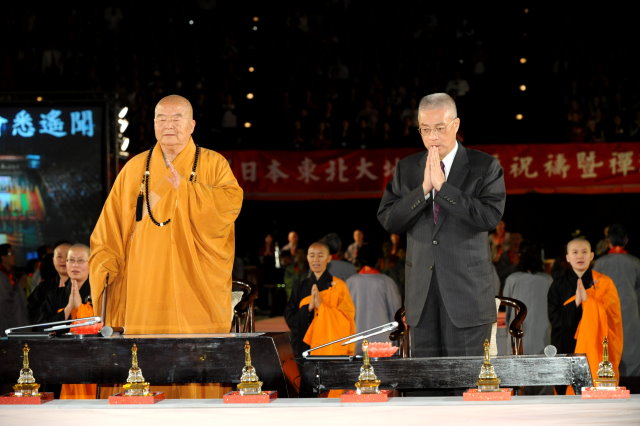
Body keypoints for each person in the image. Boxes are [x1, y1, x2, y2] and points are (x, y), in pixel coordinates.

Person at [90, 94, 243, 398]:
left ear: (192, 124)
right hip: (146, 285)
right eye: (161, 118)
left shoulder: (213, 163)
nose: (168, 125)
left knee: (197, 364)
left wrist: (187, 191)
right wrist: (105, 268)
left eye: (177, 118)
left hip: (197, 285)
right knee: (147, 362)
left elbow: (230, 204)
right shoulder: (134, 168)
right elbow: (110, 228)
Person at [377, 92, 506, 357]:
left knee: (469, 383)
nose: (432, 137)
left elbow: (489, 217)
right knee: (427, 388)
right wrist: (424, 189)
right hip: (421, 298)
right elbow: (389, 220)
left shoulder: (484, 166)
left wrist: (443, 189)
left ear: (456, 125)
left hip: (467, 295)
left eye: (439, 128)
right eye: (425, 129)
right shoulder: (408, 168)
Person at [547, 237, 623, 394]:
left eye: (584, 252)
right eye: (575, 252)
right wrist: (576, 303)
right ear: (567, 257)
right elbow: (554, 319)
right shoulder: (558, 285)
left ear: (592, 255)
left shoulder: (604, 283)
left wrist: (589, 302)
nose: (580, 256)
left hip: (597, 348)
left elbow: (613, 319)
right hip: (567, 347)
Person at [284, 242, 355, 358]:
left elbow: (347, 318)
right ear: (307, 258)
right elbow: (289, 316)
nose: (315, 260)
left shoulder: (338, 286)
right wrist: (309, 308)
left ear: (329, 258)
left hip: (329, 345)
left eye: (320, 256)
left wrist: (322, 307)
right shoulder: (300, 286)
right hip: (304, 346)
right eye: (312, 255)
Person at [594, 224, 640, 377]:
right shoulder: (635, 262)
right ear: (625, 240)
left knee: (609, 343)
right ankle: (633, 378)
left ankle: (609, 375)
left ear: (609, 242)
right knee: (631, 343)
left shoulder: (600, 263)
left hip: (607, 309)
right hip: (631, 309)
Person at [503, 240, 552, 356]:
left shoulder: (512, 279)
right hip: (543, 332)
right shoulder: (548, 280)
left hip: (520, 330)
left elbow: (507, 310)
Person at [0, 244, 28, 337]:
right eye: (10, 253)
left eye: (13, 253)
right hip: (8, 326)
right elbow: (5, 302)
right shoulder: (2, 276)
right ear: (3, 257)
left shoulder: (11, 274)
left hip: (17, 325)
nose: (13, 256)